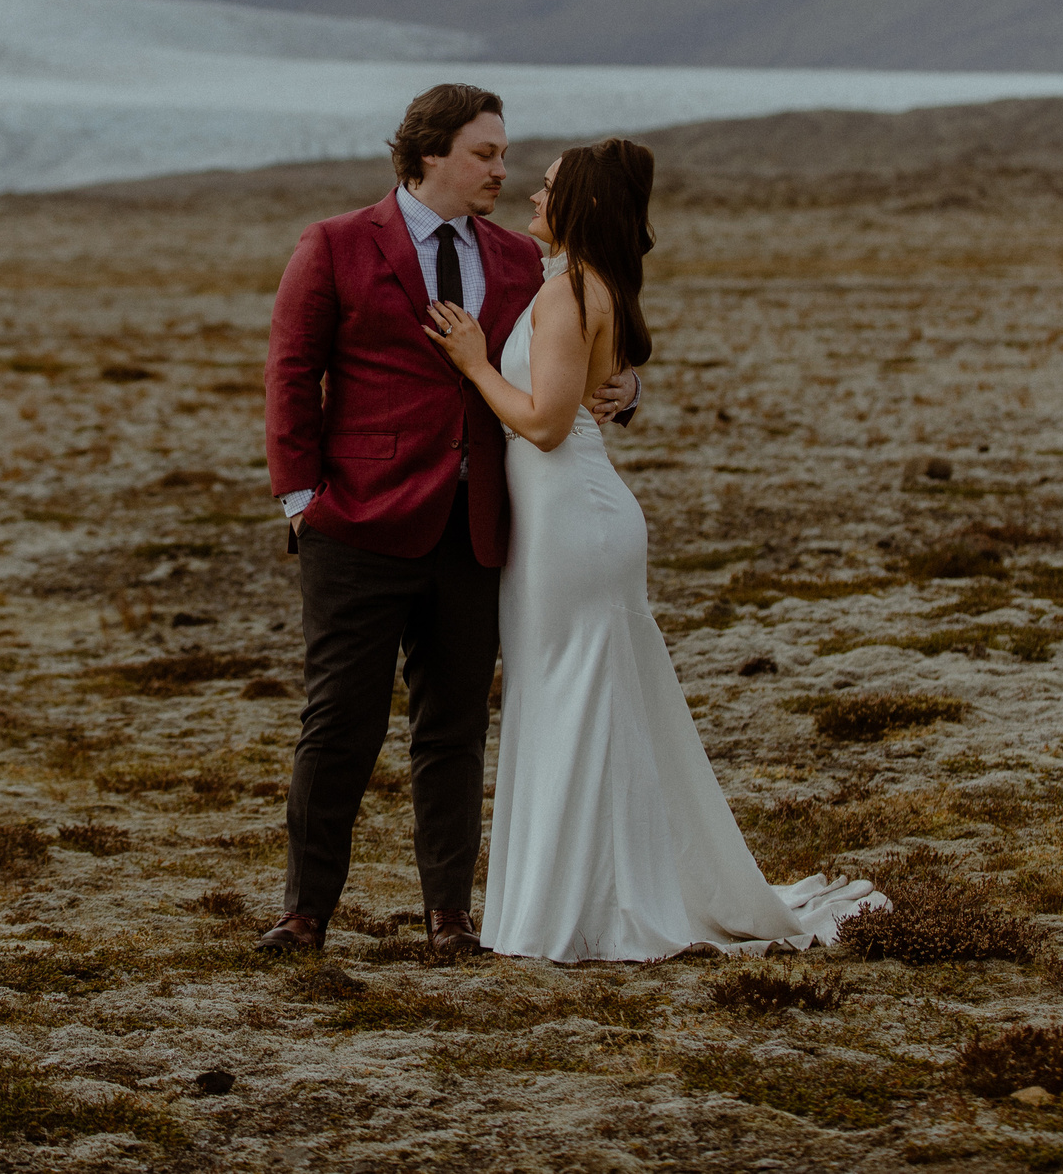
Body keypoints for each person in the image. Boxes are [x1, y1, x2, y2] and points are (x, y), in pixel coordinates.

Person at [424, 137, 889, 961]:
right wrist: (622, 383)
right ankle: (576, 896)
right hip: (565, 520)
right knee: (569, 696)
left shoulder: (571, 292)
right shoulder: (575, 283)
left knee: (577, 700)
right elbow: (592, 382)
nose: (533, 192)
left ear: (581, 205)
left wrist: (471, 364)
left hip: (574, 520)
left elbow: (542, 422)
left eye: (550, 186)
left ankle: (582, 907)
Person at [260, 85, 639, 956]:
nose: (503, 170)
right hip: (354, 527)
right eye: (485, 154)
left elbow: (574, 348)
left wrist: (625, 389)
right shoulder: (336, 244)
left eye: (507, 155)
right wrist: (300, 502)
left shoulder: (519, 259)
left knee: (454, 726)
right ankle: (305, 912)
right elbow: (291, 373)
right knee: (339, 723)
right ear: (427, 154)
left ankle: (450, 918)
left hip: (476, 531)